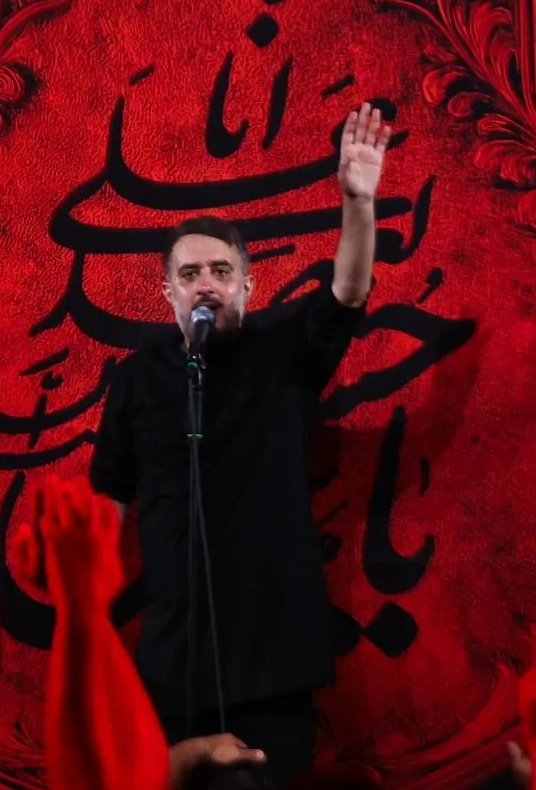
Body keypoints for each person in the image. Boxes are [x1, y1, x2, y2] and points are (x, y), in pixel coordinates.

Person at [88, 103, 389, 776]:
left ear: (248, 286)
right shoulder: (136, 380)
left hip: (273, 660)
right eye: (190, 274)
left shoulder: (283, 351)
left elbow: (346, 292)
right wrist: (86, 610)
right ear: (167, 293)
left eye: (221, 272)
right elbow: (108, 496)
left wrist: (358, 202)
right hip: (173, 664)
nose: (207, 285)